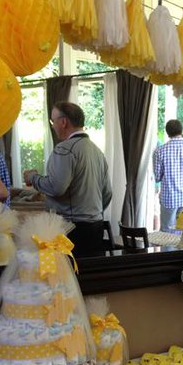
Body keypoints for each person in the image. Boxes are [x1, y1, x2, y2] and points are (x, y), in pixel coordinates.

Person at [23, 102, 112, 257]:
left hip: (71, 230)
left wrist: (33, 178)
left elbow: (56, 188)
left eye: (53, 121)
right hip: (96, 228)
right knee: (91, 277)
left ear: (63, 122)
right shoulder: (97, 151)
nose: (53, 126)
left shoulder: (64, 149)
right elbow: (107, 193)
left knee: (69, 277)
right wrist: (90, 212)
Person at [152, 119, 183, 232]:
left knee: (167, 231)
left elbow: (158, 177)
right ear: (182, 131)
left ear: (167, 133)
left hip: (169, 197)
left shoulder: (160, 151)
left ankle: (169, 250)